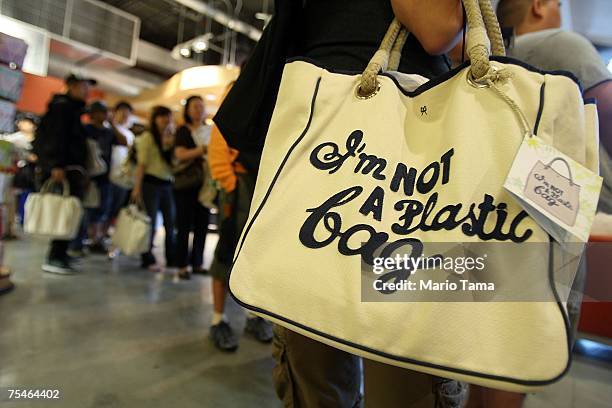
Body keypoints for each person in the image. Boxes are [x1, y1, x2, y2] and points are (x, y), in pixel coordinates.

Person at [491, 2, 612, 407]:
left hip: (500, 207)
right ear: (540, 5)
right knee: (529, 344)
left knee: (487, 345)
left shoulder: (491, 57)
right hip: (561, 203)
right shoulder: (562, 43)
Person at [207, 85, 273, 352]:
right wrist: (229, 183)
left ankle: (252, 315)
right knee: (227, 250)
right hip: (238, 185)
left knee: (255, 256)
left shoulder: (269, 96)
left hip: (260, 184)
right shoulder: (239, 93)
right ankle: (217, 318)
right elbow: (219, 138)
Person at [33, 73, 95, 275]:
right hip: (63, 169)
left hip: (71, 169)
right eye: (83, 86)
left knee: (69, 211)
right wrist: (55, 165)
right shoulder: (62, 107)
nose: (87, 90)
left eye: (88, 86)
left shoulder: (72, 109)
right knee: (63, 211)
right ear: (71, 86)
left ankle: (62, 252)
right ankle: (54, 256)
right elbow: (55, 138)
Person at [131, 106, 176, 271]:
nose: (166, 120)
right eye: (163, 117)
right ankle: (147, 258)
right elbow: (141, 165)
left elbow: (174, 164)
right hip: (150, 184)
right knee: (149, 223)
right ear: (155, 119)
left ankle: (172, 258)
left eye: (169, 117)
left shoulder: (171, 138)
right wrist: (137, 188)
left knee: (170, 223)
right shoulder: (147, 137)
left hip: (168, 184)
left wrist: (170, 144)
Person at [80, 101, 127, 254]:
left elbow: (123, 142)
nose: (104, 115)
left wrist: (112, 124)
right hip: (89, 176)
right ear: (93, 114)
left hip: (105, 177)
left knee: (103, 208)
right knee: (87, 209)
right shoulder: (86, 129)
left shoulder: (108, 132)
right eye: (102, 112)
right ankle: (81, 239)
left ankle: (96, 239)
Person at [173, 95, 211, 280]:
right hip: (187, 185)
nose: (198, 110)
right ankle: (182, 265)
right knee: (183, 226)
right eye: (195, 106)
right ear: (187, 110)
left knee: (202, 226)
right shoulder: (183, 131)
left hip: (206, 185)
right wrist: (202, 150)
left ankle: (197, 263)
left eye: (201, 107)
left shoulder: (210, 130)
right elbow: (180, 154)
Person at [3, 116, 38, 229]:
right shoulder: (15, 138)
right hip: (17, 173)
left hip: (30, 174)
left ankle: (19, 221)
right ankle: (13, 224)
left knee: (24, 197)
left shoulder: (36, 139)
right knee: (12, 198)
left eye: (29, 122)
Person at [108, 101, 135, 223]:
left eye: (127, 114)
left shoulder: (129, 134)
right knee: (104, 207)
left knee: (115, 208)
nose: (125, 117)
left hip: (122, 176)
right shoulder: (108, 129)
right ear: (115, 113)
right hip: (107, 175)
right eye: (122, 113)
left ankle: (104, 234)